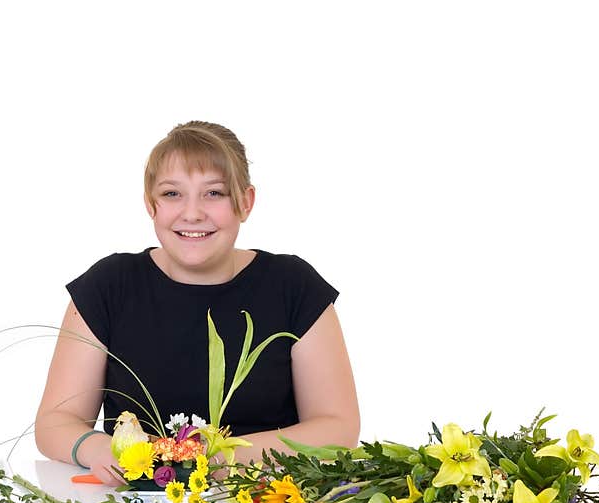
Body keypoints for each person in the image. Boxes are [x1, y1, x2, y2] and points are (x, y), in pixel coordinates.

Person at [34, 120, 360, 484]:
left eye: (214, 193)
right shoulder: (109, 285)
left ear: (245, 202)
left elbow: (338, 427)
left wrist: (220, 458)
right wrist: (99, 449)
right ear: (150, 204)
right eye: (173, 194)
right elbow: (54, 423)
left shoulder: (294, 287)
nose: (192, 213)